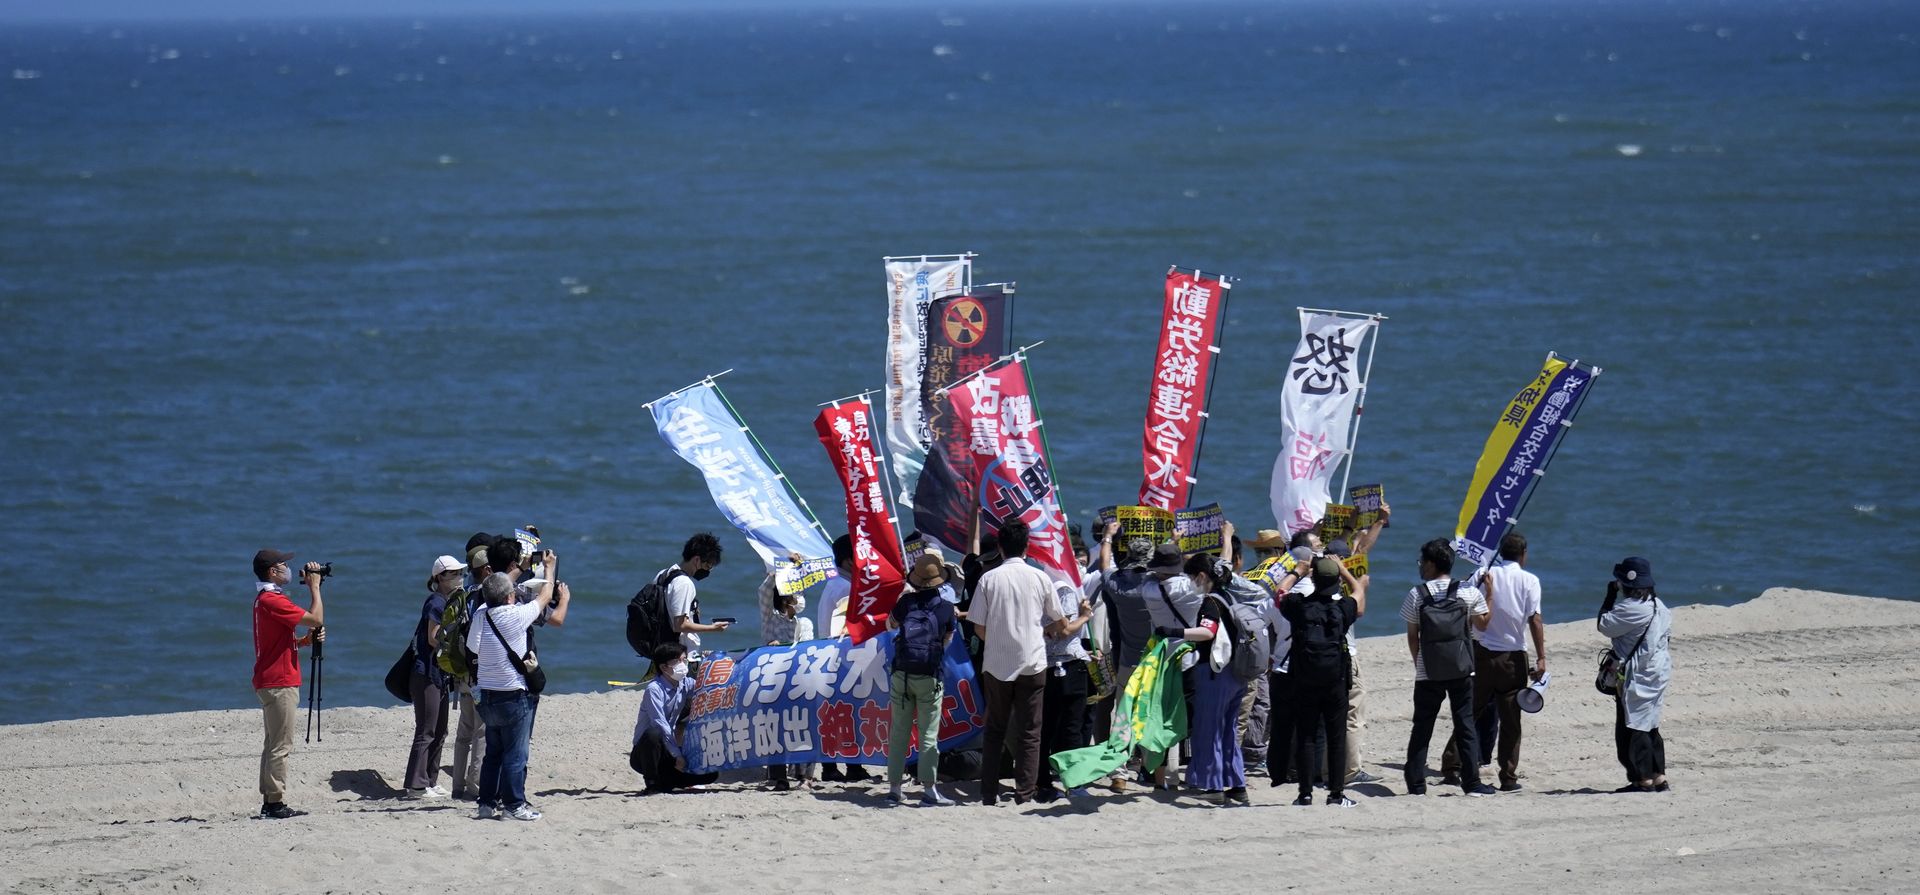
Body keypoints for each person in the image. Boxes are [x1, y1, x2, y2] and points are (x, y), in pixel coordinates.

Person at [969, 520, 1076, 806]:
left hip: (996, 662)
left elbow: (977, 625)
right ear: (1026, 547)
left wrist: (996, 638)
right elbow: (1059, 621)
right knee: (1030, 731)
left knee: (994, 729)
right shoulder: (1040, 578)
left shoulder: (989, 579)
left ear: (1000, 547)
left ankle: (989, 793)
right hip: (1033, 660)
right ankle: (1024, 792)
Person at [1441, 530, 1546, 792]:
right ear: (1523, 555)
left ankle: (1452, 767)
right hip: (1513, 656)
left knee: (1470, 712)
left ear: (1502, 551)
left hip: (1481, 652)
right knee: (1511, 719)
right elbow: (1534, 619)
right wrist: (1542, 656)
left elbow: (1461, 599)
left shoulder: (1483, 573)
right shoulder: (1530, 580)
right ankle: (1508, 777)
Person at [1401, 538, 1496, 797]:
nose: (1421, 567)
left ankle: (1417, 785)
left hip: (1427, 671)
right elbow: (1483, 625)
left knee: (1422, 726)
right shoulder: (1467, 592)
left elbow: (1412, 635)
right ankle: (1472, 783)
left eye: (1422, 562)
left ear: (1431, 564)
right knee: (1465, 724)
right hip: (1462, 668)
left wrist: (1419, 661)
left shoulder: (1416, 594)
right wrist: (1491, 593)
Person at [467, 559, 559, 821]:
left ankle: (486, 804)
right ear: (509, 596)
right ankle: (514, 805)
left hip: (486, 695)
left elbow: (473, 648)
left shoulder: (480, 615)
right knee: (516, 755)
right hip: (513, 695)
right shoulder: (516, 615)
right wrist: (549, 568)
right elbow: (545, 596)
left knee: (493, 753)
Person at [1157, 553, 1251, 806]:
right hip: (1237, 673)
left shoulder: (1210, 601)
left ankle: (1213, 785)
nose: (1188, 582)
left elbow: (1207, 632)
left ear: (1201, 576)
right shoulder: (1230, 596)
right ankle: (1237, 783)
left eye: (1190, 577)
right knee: (1228, 730)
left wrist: (1174, 633)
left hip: (1214, 673)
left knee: (1209, 730)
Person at [1281, 557, 1365, 807]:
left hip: (1305, 678)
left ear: (1313, 580)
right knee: (1336, 737)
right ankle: (1336, 794)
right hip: (1335, 680)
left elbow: (1280, 591)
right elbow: (1359, 591)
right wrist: (1344, 570)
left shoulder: (1298, 605)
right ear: (1336, 581)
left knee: (1306, 735)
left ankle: (1305, 794)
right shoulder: (1343, 609)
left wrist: (1298, 571)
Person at [250, 549, 325, 820]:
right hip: (279, 682)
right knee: (281, 745)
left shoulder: (266, 600)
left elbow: (277, 642)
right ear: (272, 572)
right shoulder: (271, 600)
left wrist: (305, 642)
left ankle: (270, 799)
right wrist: (315, 588)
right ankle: (275, 803)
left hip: (271, 678)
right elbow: (316, 618)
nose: (287, 569)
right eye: (283, 565)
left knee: (273, 743)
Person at [886, 555, 960, 805]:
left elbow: (890, 626)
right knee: (928, 734)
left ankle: (895, 788)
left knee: (899, 732)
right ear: (939, 581)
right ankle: (929, 790)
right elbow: (948, 639)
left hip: (902, 674)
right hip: (930, 675)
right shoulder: (947, 608)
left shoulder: (906, 602)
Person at [1598, 556, 1672, 793]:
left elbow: (1603, 624)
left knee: (1632, 726)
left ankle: (1643, 780)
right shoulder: (1660, 606)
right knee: (1651, 723)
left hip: (1637, 674)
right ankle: (1659, 776)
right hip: (1658, 671)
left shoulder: (1631, 609)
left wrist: (1610, 596)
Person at [1037, 536, 1100, 803]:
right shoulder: (1063, 587)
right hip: (1066, 665)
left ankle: (1042, 780)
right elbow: (1062, 631)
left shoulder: (1043, 581)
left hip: (1048, 663)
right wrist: (1085, 616)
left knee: (1047, 726)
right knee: (1071, 726)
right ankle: (1072, 781)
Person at [402, 555, 465, 799]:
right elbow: (432, 637)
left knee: (441, 730)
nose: (459, 577)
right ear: (440, 577)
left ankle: (430, 780)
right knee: (426, 730)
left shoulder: (448, 601)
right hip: (426, 673)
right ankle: (416, 786)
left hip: (439, 674)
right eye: (454, 573)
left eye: (460, 572)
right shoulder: (436, 602)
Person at [630, 642, 721, 794]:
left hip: (668, 751)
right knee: (654, 733)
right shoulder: (654, 689)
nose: (682, 664)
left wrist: (710, 661)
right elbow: (660, 724)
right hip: (645, 753)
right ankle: (651, 783)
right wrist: (677, 754)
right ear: (664, 667)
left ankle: (665, 783)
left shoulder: (684, 683)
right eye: (677, 661)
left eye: (684, 660)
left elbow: (707, 687)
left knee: (711, 774)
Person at [448, 536, 490, 799]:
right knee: (482, 731)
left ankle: (457, 786)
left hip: (462, 673)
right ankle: (475, 786)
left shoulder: (464, 594)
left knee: (464, 731)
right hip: (480, 673)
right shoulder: (487, 596)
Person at [655, 532, 730, 676]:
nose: (708, 571)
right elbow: (680, 625)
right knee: (686, 696)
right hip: (683, 656)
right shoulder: (684, 583)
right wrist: (713, 628)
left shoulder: (663, 574)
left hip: (663, 649)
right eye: (708, 565)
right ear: (697, 560)